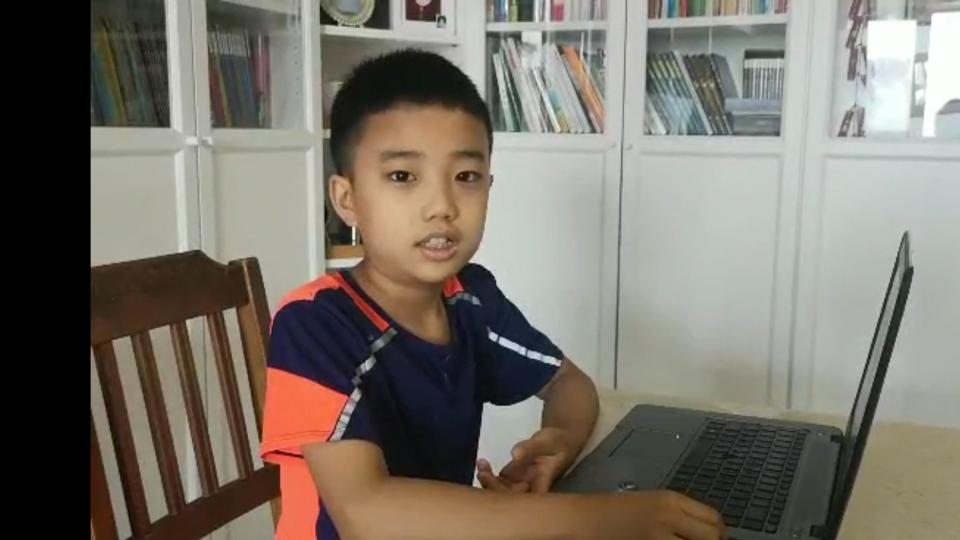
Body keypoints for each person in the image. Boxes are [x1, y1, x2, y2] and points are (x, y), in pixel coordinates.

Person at [260, 48, 727, 540]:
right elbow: (368, 514)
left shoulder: (470, 298)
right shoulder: (313, 323)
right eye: (403, 176)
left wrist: (558, 441)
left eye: (466, 177)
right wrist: (610, 517)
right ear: (347, 199)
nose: (441, 206)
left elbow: (568, 383)